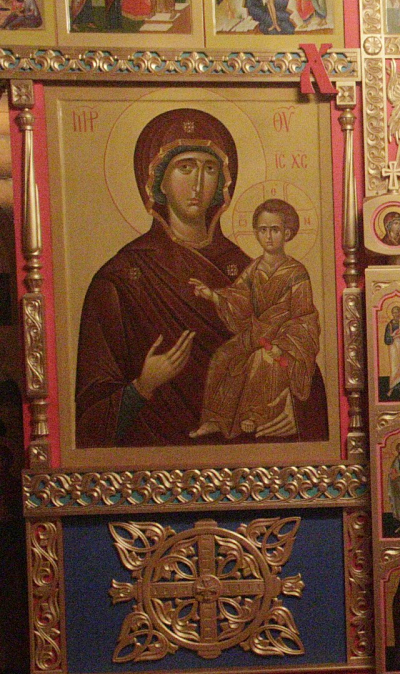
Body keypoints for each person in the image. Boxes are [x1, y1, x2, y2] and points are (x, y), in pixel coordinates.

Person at [75, 108, 327, 447]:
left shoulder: (249, 268)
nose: (197, 184)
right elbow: (88, 419)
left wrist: (296, 407)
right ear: (157, 180)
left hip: (247, 454)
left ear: (223, 182)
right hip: (153, 459)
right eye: (185, 167)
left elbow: (296, 346)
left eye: (209, 169)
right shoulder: (120, 280)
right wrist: (142, 386)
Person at [189, 198, 321, 439]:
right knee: (223, 356)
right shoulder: (255, 268)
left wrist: (283, 346)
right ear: (256, 233)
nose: (268, 236)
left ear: (287, 233)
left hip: (282, 344)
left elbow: (303, 317)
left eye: (275, 230)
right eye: (263, 230)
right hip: (257, 334)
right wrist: (213, 296)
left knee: (262, 360)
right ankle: (216, 420)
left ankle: (253, 415)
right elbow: (239, 297)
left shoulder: (296, 273)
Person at [383, 305, 400, 399]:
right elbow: (387, 339)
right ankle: (391, 387)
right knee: (395, 367)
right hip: (394, 349)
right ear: (392, 314)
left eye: (398, 312)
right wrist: (395, 337)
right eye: (394, 312)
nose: (396, 314)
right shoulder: (390, 325)